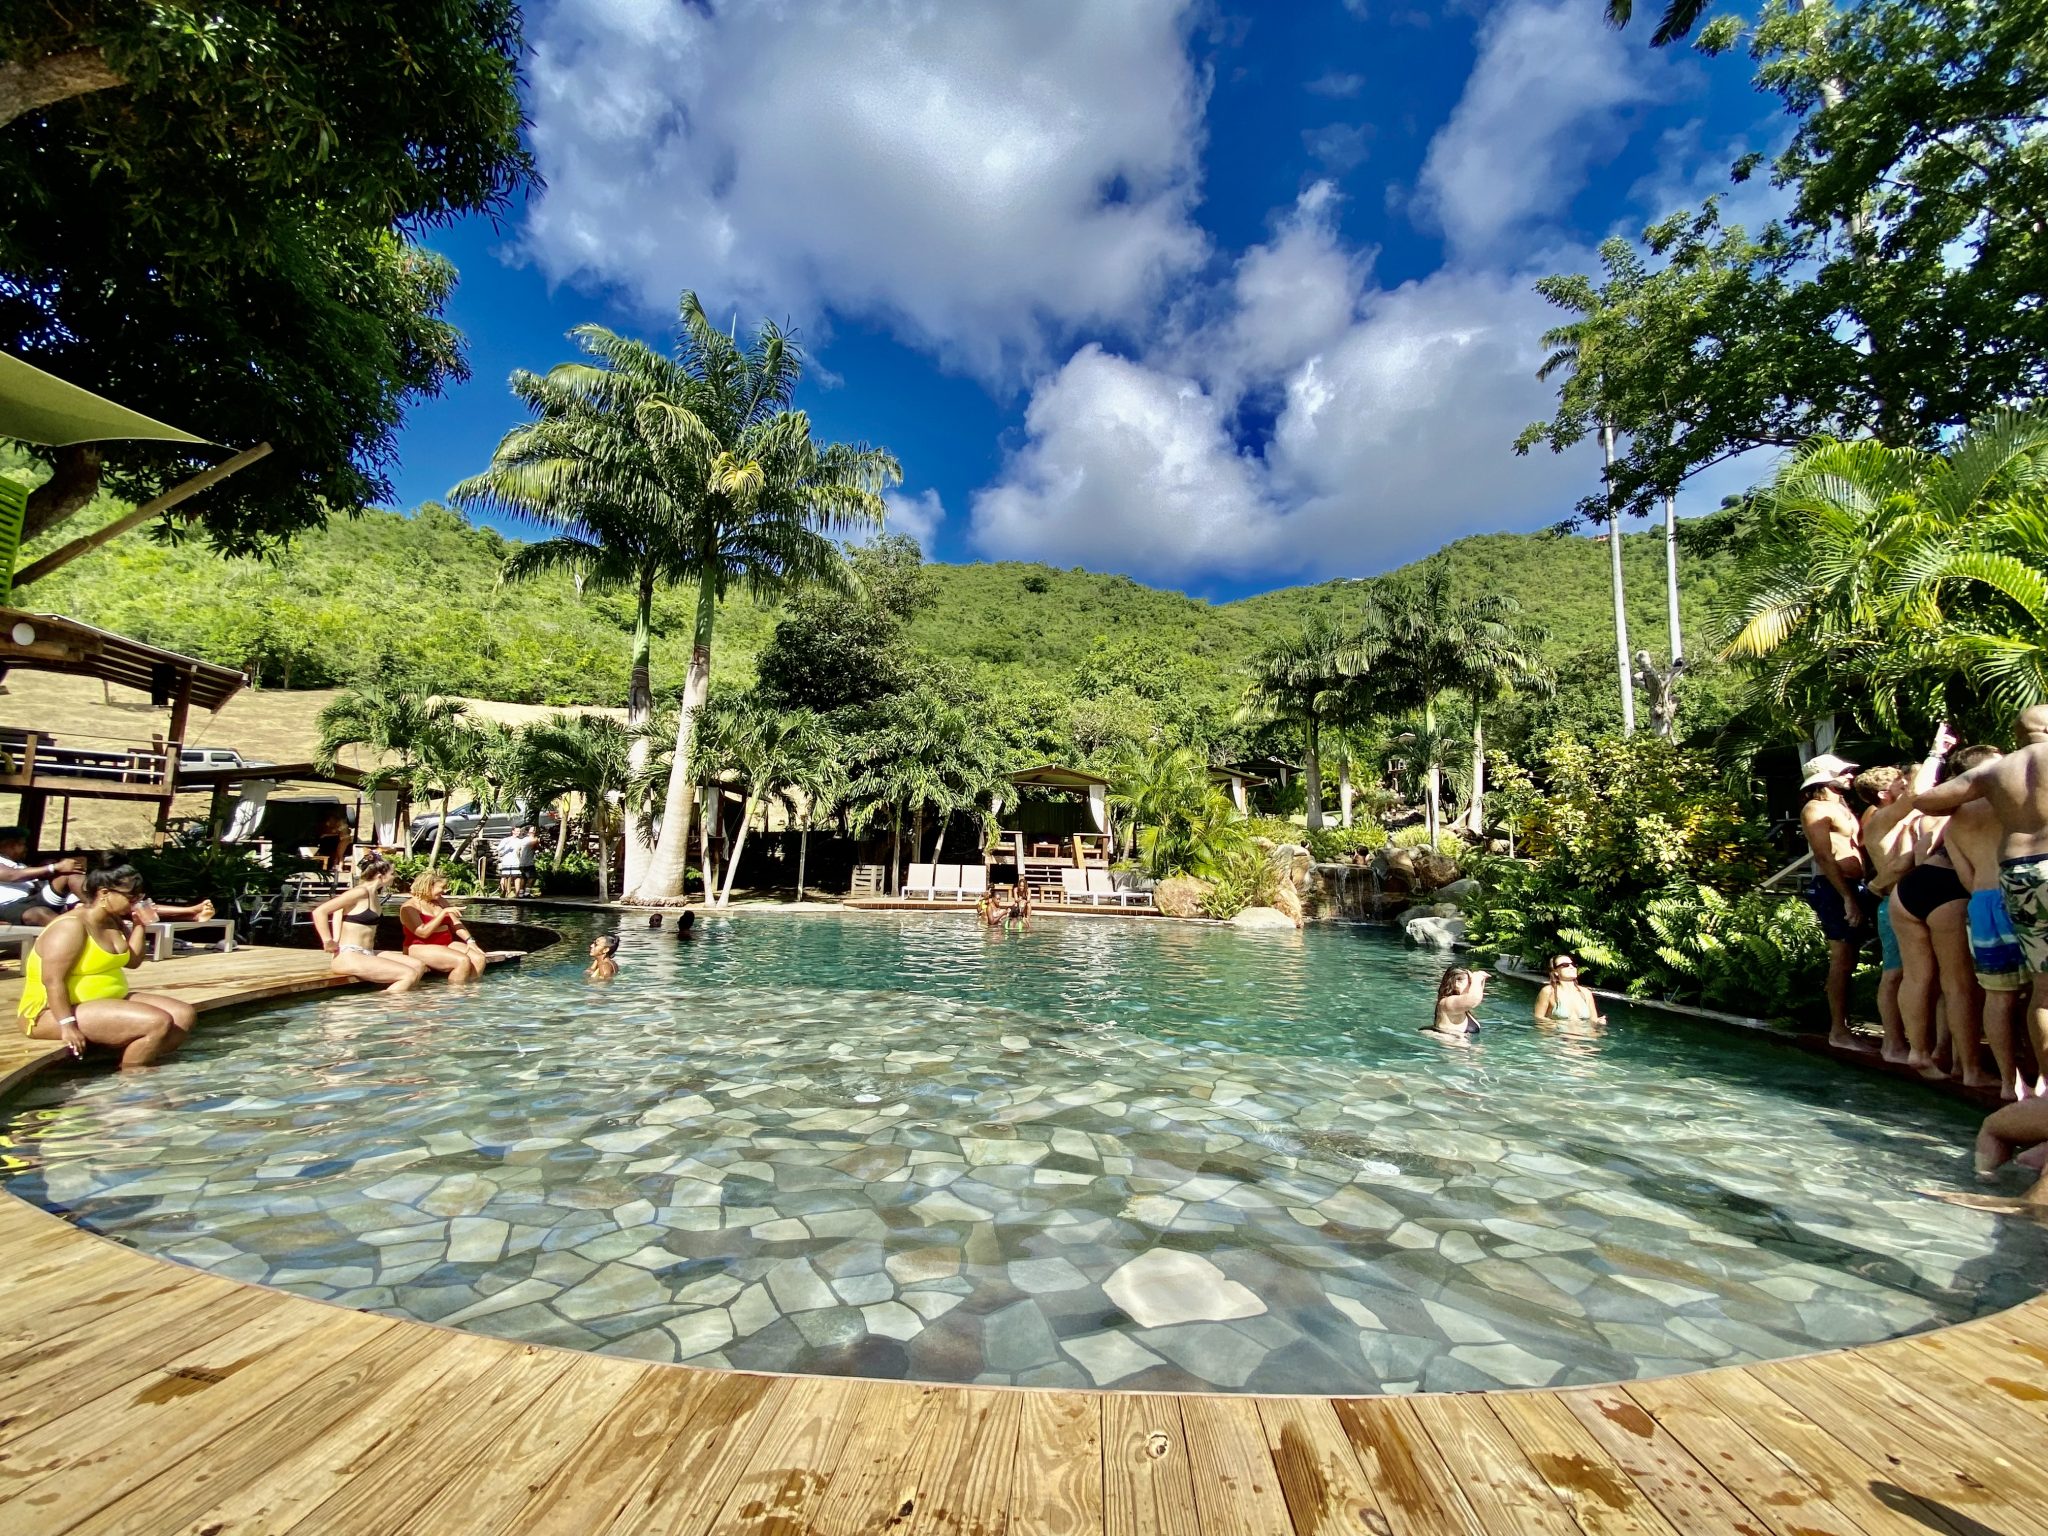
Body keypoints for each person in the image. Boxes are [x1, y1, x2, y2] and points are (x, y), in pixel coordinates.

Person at [1910, 705, 2048, 1099]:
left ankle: (2030, 1090)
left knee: (2037, 990)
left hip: (2016, 875)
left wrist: (1936, 756)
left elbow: (1922, 799)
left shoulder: (1992, 773)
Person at [17, 865, 199, 1070]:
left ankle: (135, 1059)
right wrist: (67, 1024)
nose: (136, 903)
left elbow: (133, 961)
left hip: (105, 1001)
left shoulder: (113, 920)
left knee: (183, 1015)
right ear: (104, 893)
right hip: (50, 1013)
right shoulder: (70, 926)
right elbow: (52, 980)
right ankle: (132, 1080)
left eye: (140, 898)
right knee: (157, 1022)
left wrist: (140, 925)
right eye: (131, 898)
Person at [1938, 744, 2023, 1096]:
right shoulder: (2012, 801)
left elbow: (1967, 878)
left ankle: (2008, 1083)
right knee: (2041, 995)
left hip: (1982, 901)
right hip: (2017, 893)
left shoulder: (1954, 822)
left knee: (1998, 995)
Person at [1799, 753, 1874, 1051]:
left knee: (1852, 958)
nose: (1850, 776)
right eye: (1843, 772)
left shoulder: (1842, 807)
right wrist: (1847, 898)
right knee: (1842, 958)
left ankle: (1846, 1025)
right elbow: (1823, 855)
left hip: (1857, 886)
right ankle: (1838, 1031)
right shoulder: (1815, 809)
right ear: (1824, 778)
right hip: (1834, 889)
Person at [1855, 766, 1913, 1063]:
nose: (1904, 784)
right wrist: (1936, 754)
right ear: (1882, 794)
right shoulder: (1879, 817)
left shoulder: (1901, 816)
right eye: (1898, 782)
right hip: (1893, 903)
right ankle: (1892, 1043)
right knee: (1894, 974)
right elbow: (1915, 795)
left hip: (1909, 901)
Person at [311, 854, 424, 994]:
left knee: (417, 965)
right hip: (349, 954)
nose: (395, 877)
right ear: (379, 875)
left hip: (367, 952)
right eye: (392, 873)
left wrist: (335, 937)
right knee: (408, 974)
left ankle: (398, 1000)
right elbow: (320, 912)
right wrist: (328, 941)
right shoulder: (359, 892)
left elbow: (339, 913)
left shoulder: (374, 895)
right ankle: (378, 1005)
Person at [400, 870, 492, 983]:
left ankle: (471, 993)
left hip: (445, 943)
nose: (444, 891)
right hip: (419, 946)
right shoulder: (409, 907)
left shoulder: (440, 901)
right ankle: (454, 996)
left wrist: (470, 941)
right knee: (462, 960)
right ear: (427, 886)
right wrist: (443, 913)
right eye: (442, 887)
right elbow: (422, 933)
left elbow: (456, 924)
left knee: (479, 958)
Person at [0, 826, 84, 927]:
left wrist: (47, 870)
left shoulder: (18, 864)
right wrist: (54, 867)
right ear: (7, 845)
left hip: (34, 898)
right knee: (39, 913)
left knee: (69, 873)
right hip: (10, 906)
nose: (25, 848)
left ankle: (95, 908)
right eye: (22, 844)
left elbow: (29, 876)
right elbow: (12, 875)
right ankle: (80, 933)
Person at [1533, 954, 1605, 1026]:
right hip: (1557, 1035)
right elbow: (1538, 1018)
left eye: (1573, 964)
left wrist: (1599, 1022)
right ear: (1556, 972)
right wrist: (1555, 1024)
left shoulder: (1586, 993)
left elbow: (1593, 1020)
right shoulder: (1548, 991)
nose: (1571, 967)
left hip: (1583, 1036)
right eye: (1565, 965)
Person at [1422, 966, 1487, 1042]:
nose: (1472, 985)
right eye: (1470, 982)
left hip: (1463, 1052)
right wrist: (1477, 978)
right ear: (1457, 983)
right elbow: (1475, 997)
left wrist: (1481, 979)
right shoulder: (1446, 1003)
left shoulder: (1461, 1006)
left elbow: (1477, 995)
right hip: (1453, 1052)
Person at [312, 809, 355, 873]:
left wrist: (326, 834)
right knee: (336, 853)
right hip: (342, 838)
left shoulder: (341, 823)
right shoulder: (336, 824)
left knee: (340, 854)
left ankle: (340, 868)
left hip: (345, 839)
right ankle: (334, 867)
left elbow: (339, 831)